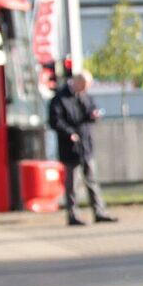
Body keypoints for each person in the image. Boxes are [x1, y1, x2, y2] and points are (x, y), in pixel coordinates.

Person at [47, 69, 116, 226]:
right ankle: (72, 216)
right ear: (76, 82)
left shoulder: (85, 96)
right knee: (72, 185)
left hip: (86, 146)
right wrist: (69, 133)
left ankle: (99, 212)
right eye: (84, 86)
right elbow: (55, 121)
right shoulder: (60, 99)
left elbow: (89, 113)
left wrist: (94, 115)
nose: (85, 90)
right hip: (70, 148)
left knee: (92, 181)